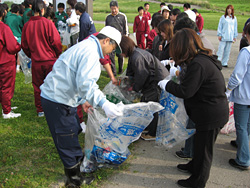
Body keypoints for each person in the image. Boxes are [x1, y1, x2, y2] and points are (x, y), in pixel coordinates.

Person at [40, 26, 123, 187]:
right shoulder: (90, 53)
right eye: (112, 48)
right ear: (106, 40)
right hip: (57, 100)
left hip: (61, 97)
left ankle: (76, 175)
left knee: (72, 132)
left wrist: (83, 100)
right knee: (67, 138)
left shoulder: (86, 47)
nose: (110, 53)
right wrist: (104, 103)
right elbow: (86, 84)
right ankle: (73, 180)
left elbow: (74, 77)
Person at [158, 28, 229, 188]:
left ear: (182, 47)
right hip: (206, 111)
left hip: (212, 114)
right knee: (198, 143)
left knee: (204, 150)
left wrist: (166, 84)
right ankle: (193, 165)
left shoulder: (199, 64)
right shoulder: (199, 59)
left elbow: (186, 91)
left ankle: (198, 180)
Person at [120, 35, 169, 140]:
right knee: (146, 104)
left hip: (156, 81)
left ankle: (153, 133)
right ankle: (148, 126)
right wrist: (125, 82)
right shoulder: (135, 54)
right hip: (152, 80)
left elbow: (141, 76)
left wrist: (134, 89)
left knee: (152, 105)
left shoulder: (137, 57)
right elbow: (131, 73)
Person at [21, 0, 62, 117]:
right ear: (42, 10)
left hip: (36, 61)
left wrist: (31, 54)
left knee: (38, 86)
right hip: (49, 60)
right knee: (53, 85)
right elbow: (56, 42)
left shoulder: (27, 25)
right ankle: (53, 107)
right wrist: (57, 54)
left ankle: (40, 110)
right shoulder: (48, 23)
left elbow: (24, 45)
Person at [226, 23, 250, 171]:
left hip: (244, 96)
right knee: (247, 126)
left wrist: (228, 90)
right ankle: (242, 146)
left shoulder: (246, 52)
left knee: (240, 126)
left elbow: (237, 76)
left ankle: (243, 159)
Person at [0, 5, 21, 119]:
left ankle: (5, 105)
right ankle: (6, 111)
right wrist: (18, 46)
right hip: (5, 62)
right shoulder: (3, 28)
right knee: (6, 86)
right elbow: (13, 47)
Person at [105, 0, 128, 75]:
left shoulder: (122, 16)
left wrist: (125, 38)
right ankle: (113, 72)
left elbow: (125, 29)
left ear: (118, 8)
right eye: (112, 8)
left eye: (115, 8)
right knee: (111, 56)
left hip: (120, 39)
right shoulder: (108, 17)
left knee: (120, 56)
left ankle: (120, 70)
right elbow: (106, 29)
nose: (113, 10)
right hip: (111, 40)